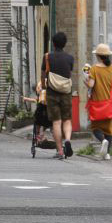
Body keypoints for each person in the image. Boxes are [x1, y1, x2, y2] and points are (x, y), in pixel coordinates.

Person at [85, 43, 112, 161]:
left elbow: (91, 85)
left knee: (96, 127)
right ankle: (107, 154)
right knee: (110, 128)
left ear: (97, 55)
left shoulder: (94, 69)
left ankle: (103, 141)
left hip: (98, 102)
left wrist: (85, 80)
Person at [42, 31, 75, 160]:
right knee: (67, 119)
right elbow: (69, 73)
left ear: (53, 44)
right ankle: (67, 139)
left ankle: (60, 151)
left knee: (56, 122)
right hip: (66, 92)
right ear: (65, 44)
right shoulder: (70, 58)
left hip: (52, 92)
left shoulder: (47, 57)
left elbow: (43, 75)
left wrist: (44, 87)